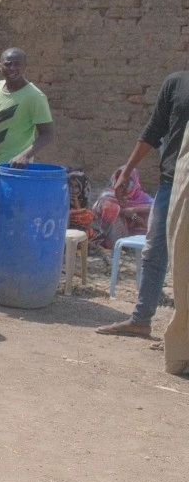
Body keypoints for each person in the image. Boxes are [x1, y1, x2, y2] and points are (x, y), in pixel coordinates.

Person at [98, 67, 189, 339]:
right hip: (172, 181)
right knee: (154, 250)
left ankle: (182, 337)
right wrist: (126, 171)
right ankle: (141, 320)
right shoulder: (176, 83)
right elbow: (153, 131)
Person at [0, 47, 54, 214]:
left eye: (17, 65)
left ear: (25, 67)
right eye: (8, 64)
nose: (12, 69)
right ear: (0, 66)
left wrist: (25, 155)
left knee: (7, 217)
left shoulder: (34, 97)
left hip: (12, 171)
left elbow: (48, 134)